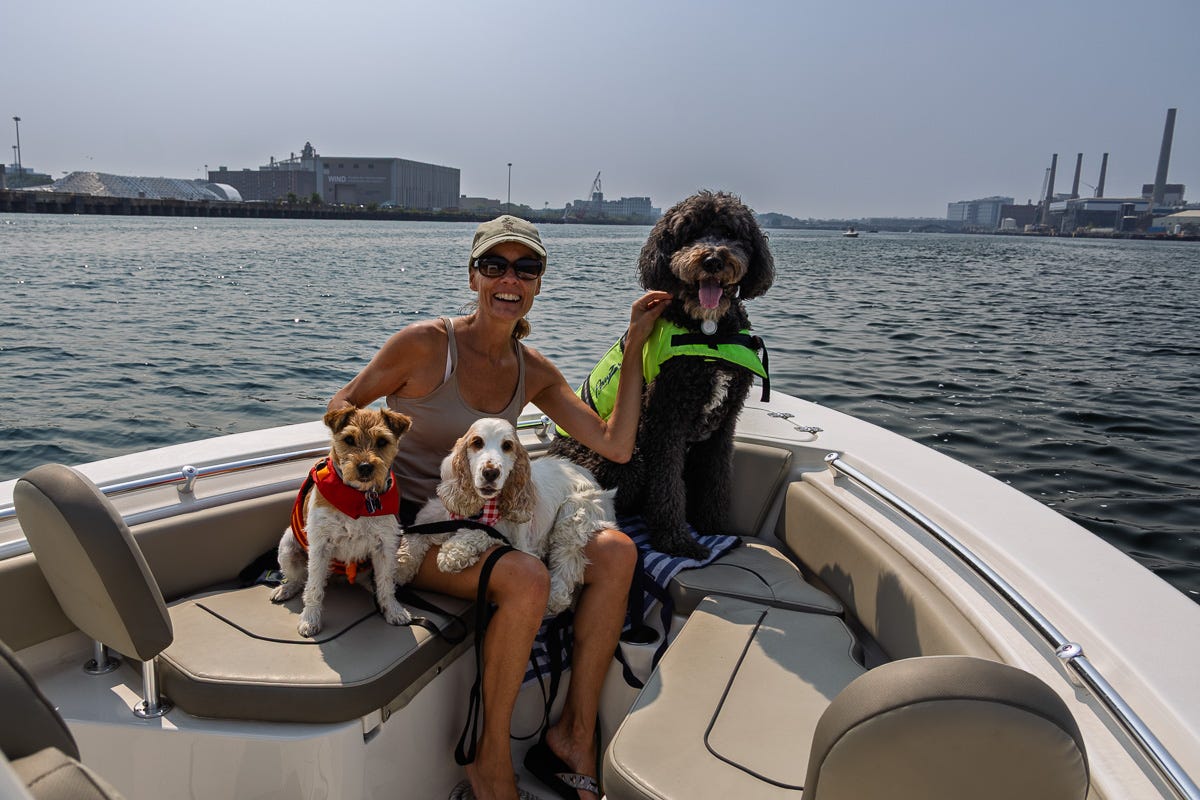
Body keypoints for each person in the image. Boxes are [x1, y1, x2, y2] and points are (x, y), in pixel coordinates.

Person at [328, 215, 670, 800]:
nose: (508, 279)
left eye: (525, 268)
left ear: (538, 283)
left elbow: (613, 443)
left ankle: (573, 735)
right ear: (473, 277)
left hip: (482, 528)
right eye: (494, 266)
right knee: (527, 576)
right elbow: (342, 404)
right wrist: (367, 462)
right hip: (408, 532)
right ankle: (489, 765)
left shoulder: (531, 370)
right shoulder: (423, 346)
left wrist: (634, 344)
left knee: (616, 552)